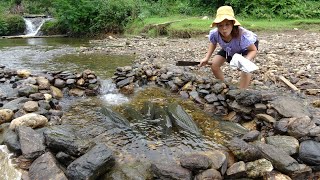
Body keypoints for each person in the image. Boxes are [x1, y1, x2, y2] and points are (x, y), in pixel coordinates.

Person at [199, 5, 258, 89]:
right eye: (220, 25)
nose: (224, 29)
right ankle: (225, 86)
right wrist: (206, 58)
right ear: (217, 26)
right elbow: (213, 43)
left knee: (245, 68)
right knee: (214, 65)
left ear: (233, 24)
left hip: (246, 48)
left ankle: (241, 92)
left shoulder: (242, 35)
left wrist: (245, 60)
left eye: (227, 24)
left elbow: (253, 50)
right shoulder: (215, 33)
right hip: (228, 47)